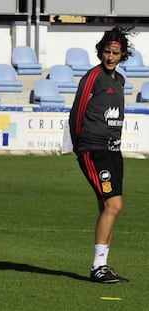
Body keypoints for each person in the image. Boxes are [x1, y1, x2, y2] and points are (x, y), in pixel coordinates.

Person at [69, 26, 134, 283]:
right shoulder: (93, 77)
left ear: (122, 54)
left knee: (108, 207)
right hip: (93, 150)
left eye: (115, 53)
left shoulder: (119, 80)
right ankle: (97, 267)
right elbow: (77, 112)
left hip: (113, 150)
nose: (110, 57)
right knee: (114, 205)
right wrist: (79, 146)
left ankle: (103, 265)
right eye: (106, 51)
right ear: (100, 52)